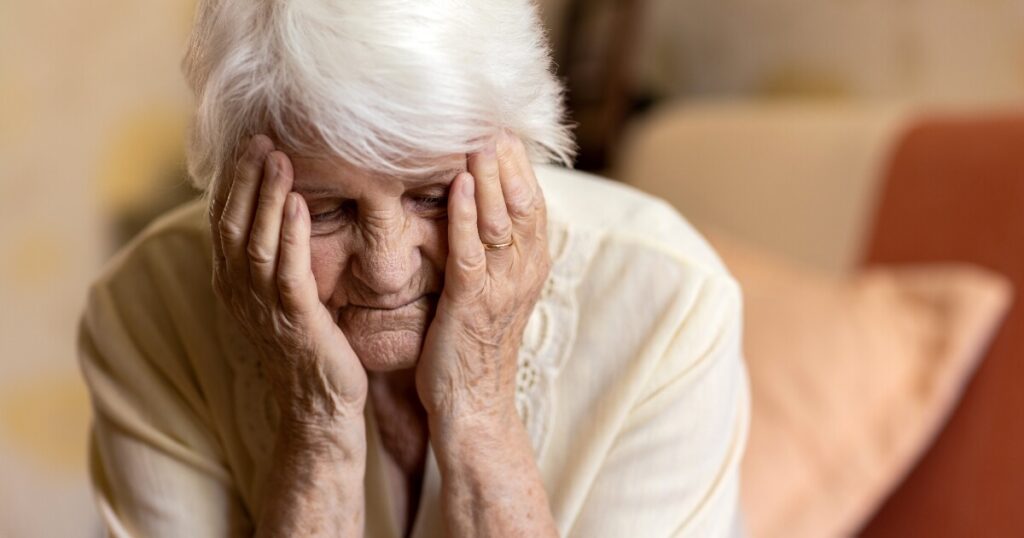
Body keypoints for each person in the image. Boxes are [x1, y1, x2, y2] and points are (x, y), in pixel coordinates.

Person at [78, 0, 750, 536]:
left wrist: (479, 411)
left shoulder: (671, 304)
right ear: (235, 188)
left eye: (432, 196)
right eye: (329, 210)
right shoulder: (146, 311)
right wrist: (317, 428)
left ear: (515, 151)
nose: (389, 271)